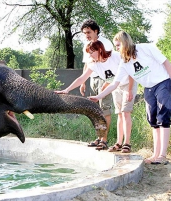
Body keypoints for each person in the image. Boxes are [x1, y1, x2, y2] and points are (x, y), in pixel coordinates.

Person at [89, 31, 171, 164]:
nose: (116, 49)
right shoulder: (124, 62)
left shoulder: (146, 48)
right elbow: (115, 83)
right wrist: (99, 96)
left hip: (162, 82)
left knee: (163, 118)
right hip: (148, 88)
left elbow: (166, 63)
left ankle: (162, 156)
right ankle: (155, 155)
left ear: (125, 42)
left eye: (117, 45)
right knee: (153, 120)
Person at [55, 40, 137, 151]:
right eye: (88, 53)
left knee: (125, 112)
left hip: (128, 84)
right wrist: (67, 90)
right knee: (120, 114)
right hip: (115, 86)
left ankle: (127, 143)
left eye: (91, 52)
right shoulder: (94, 64)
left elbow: (130, 69)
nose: (89, 55)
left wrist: (130, 89)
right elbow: (82, 78)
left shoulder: (115, 56)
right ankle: (118, 143)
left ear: (99, 50)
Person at [78, 19, 114, 149]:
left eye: (88, 32)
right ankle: (99, 138)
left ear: (96, 31)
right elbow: (87, 64)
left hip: (105, 78)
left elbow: (111, 64)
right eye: (84, 33)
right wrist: (83, 83)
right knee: (97, 111)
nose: (86, 35)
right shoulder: (86, 45)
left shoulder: (105, 43)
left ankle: (104, 140)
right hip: (92, 78)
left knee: (105, 110)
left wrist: (107, 82)